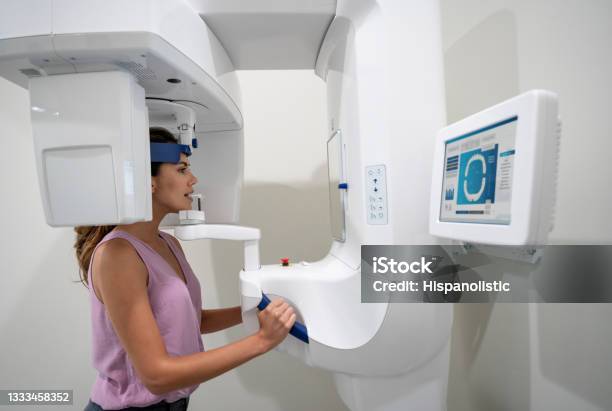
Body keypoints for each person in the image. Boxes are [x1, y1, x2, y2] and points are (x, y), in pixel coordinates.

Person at [75, 127, 296, 411]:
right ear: (149, 180)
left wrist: (254, 310)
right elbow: (156, 375)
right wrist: (261, 341)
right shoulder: (118, 255)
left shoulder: (167, 242)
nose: (193, 180)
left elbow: (190, 320)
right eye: (182, 170)